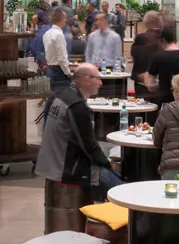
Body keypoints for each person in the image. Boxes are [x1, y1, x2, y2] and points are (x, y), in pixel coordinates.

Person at [36, 63, 124, 200]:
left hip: (52, 164)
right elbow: (88, 145)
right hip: (68, 168)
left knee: (116, 177)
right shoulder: (77, 106)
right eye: (98, 78)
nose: (101, 83)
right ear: (87, 79)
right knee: (122, 191)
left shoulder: (63, 97)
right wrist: (107, 165)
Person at [145, 24, 179, 104]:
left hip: (166, 101)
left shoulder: (158, 56)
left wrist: (159, 84)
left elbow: (150, 86)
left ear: (163, 40)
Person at [130, 11, 164, 98]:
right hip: (158, 80)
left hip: (142, 80)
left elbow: (134, 56)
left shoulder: (141, 38)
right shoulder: (164, 38)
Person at [43, 7, 73, 97]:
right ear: (62, 19)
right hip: (59, 71)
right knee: (62, 97)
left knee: (52, 97)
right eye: (65, 18)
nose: (66, 21)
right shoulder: (59, 35)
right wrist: (67, 72)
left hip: (50, 69)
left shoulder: (47, 33)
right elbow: (61, 57)